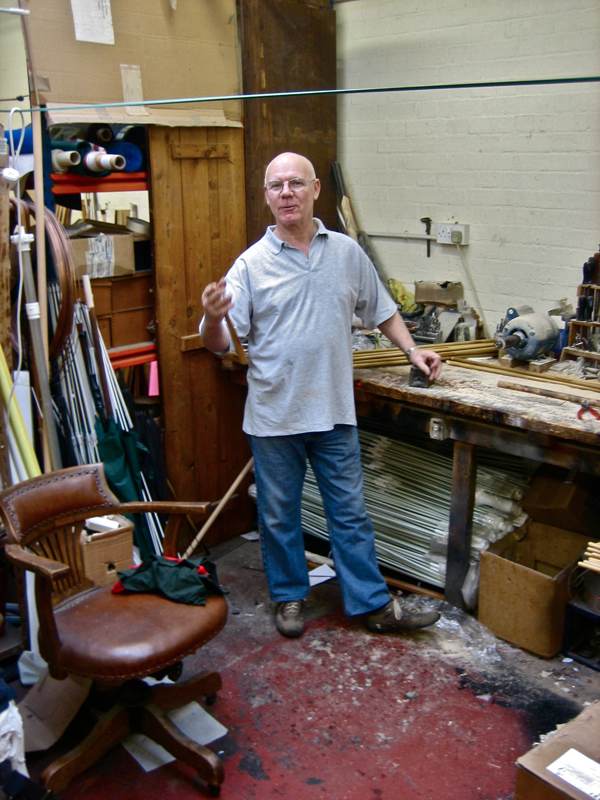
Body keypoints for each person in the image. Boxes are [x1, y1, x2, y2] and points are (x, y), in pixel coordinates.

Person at [200, 152, 443, 638]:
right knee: (279, 517)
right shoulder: (250, 265)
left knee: (350, 515)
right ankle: (289, 597)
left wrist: (412, 350)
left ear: (315, 189)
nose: (285, 193)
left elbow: (381, 310)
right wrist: (211, 316)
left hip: (334, 411)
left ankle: (371, 604)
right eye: (275, 186)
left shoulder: (347, 253)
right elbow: (222, 344)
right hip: (274, 416)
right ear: (267, 197)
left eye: (295, 183)